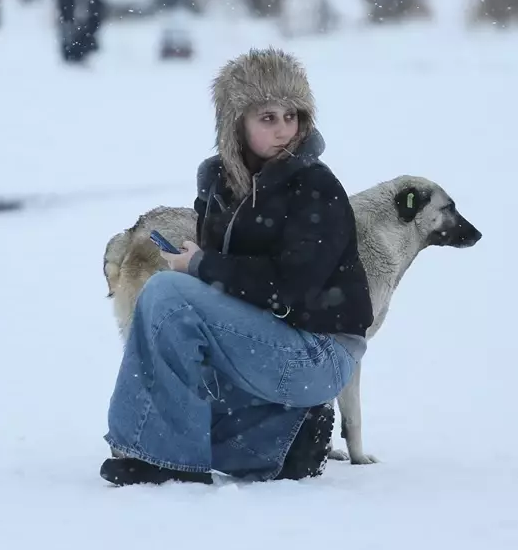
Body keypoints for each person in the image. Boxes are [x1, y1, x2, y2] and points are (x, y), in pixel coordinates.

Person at [100, 48, 374, 486]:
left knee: (167, 295)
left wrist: (203, 267)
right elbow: (228, 282)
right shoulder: (218, 184)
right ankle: (283, 440)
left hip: (319, 351)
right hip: (268, 339)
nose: (284, 129)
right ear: (236, 122)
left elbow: (293, 287)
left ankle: (161, 457)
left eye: (292, 115)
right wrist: (197, 268)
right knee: (179, 389)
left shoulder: (316, 187)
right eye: (267, 117)